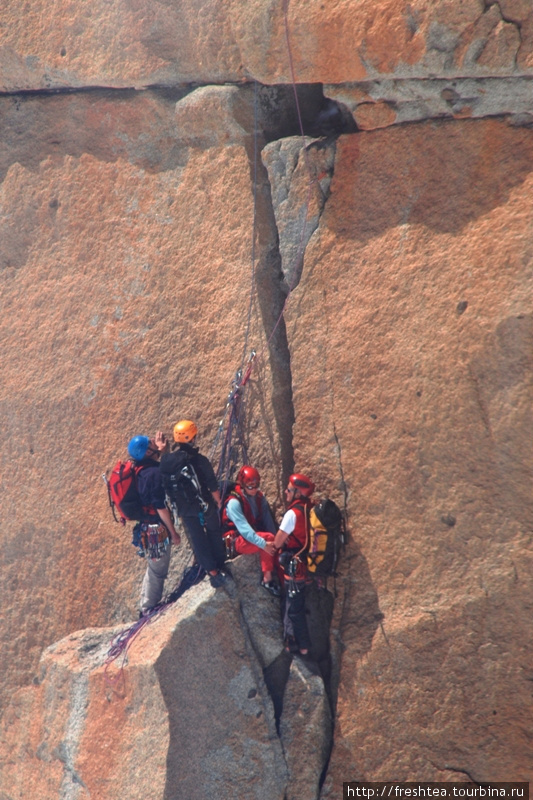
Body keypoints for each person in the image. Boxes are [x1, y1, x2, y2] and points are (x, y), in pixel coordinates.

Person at [160, 419, 228, 588]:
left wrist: (163, 451)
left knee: (198, 539)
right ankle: (219, 563)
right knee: (213, 531)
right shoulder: (199, 460)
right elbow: (212, 484)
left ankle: (212, 572)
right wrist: (218, 501)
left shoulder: (167, 461)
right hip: (204, 504)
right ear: (191, 438)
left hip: (183, 508)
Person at [127, 432, 181, 616]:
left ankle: (145, 606)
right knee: (158, 571)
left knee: (153, 569)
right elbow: (160, 506)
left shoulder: (139, 471)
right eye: (151, 443)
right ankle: (147, 609)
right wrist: (173, 532)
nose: (154, 443)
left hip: (146, 528)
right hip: (156, 530)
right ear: (147, 451)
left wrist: (163, 452)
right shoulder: (152, 474)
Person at [273, 473, 315, 656]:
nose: (286, 492)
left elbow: (277, 542)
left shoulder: (293, 513)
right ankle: (297, 644)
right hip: (310, 566)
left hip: (295, 567)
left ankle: (300, 646)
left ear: (297, 493)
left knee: (293, 608)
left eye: (289, 489)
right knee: (296, 605)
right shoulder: (311, 509)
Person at [221, 465, 280, 596]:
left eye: (256, 485)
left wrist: (277, 542)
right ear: (242, 485)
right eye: (250, 486)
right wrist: (264, 544)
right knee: (268, 539)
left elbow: (267, 520)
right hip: (235, 541)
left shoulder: (259, 498)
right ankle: (267, 579)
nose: (254, 489)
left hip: (249, 537)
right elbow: (245, 530)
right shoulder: (234, 503)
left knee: (273, 540)